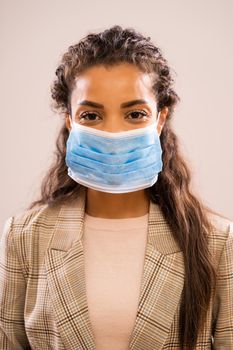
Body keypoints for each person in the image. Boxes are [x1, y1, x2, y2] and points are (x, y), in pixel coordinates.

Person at [0, 25, 232, 350]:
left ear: (160, 119)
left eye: (135, 114)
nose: (112, 134)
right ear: (69, 121)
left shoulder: (216, 242)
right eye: (91, 115)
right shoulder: (24, 237)